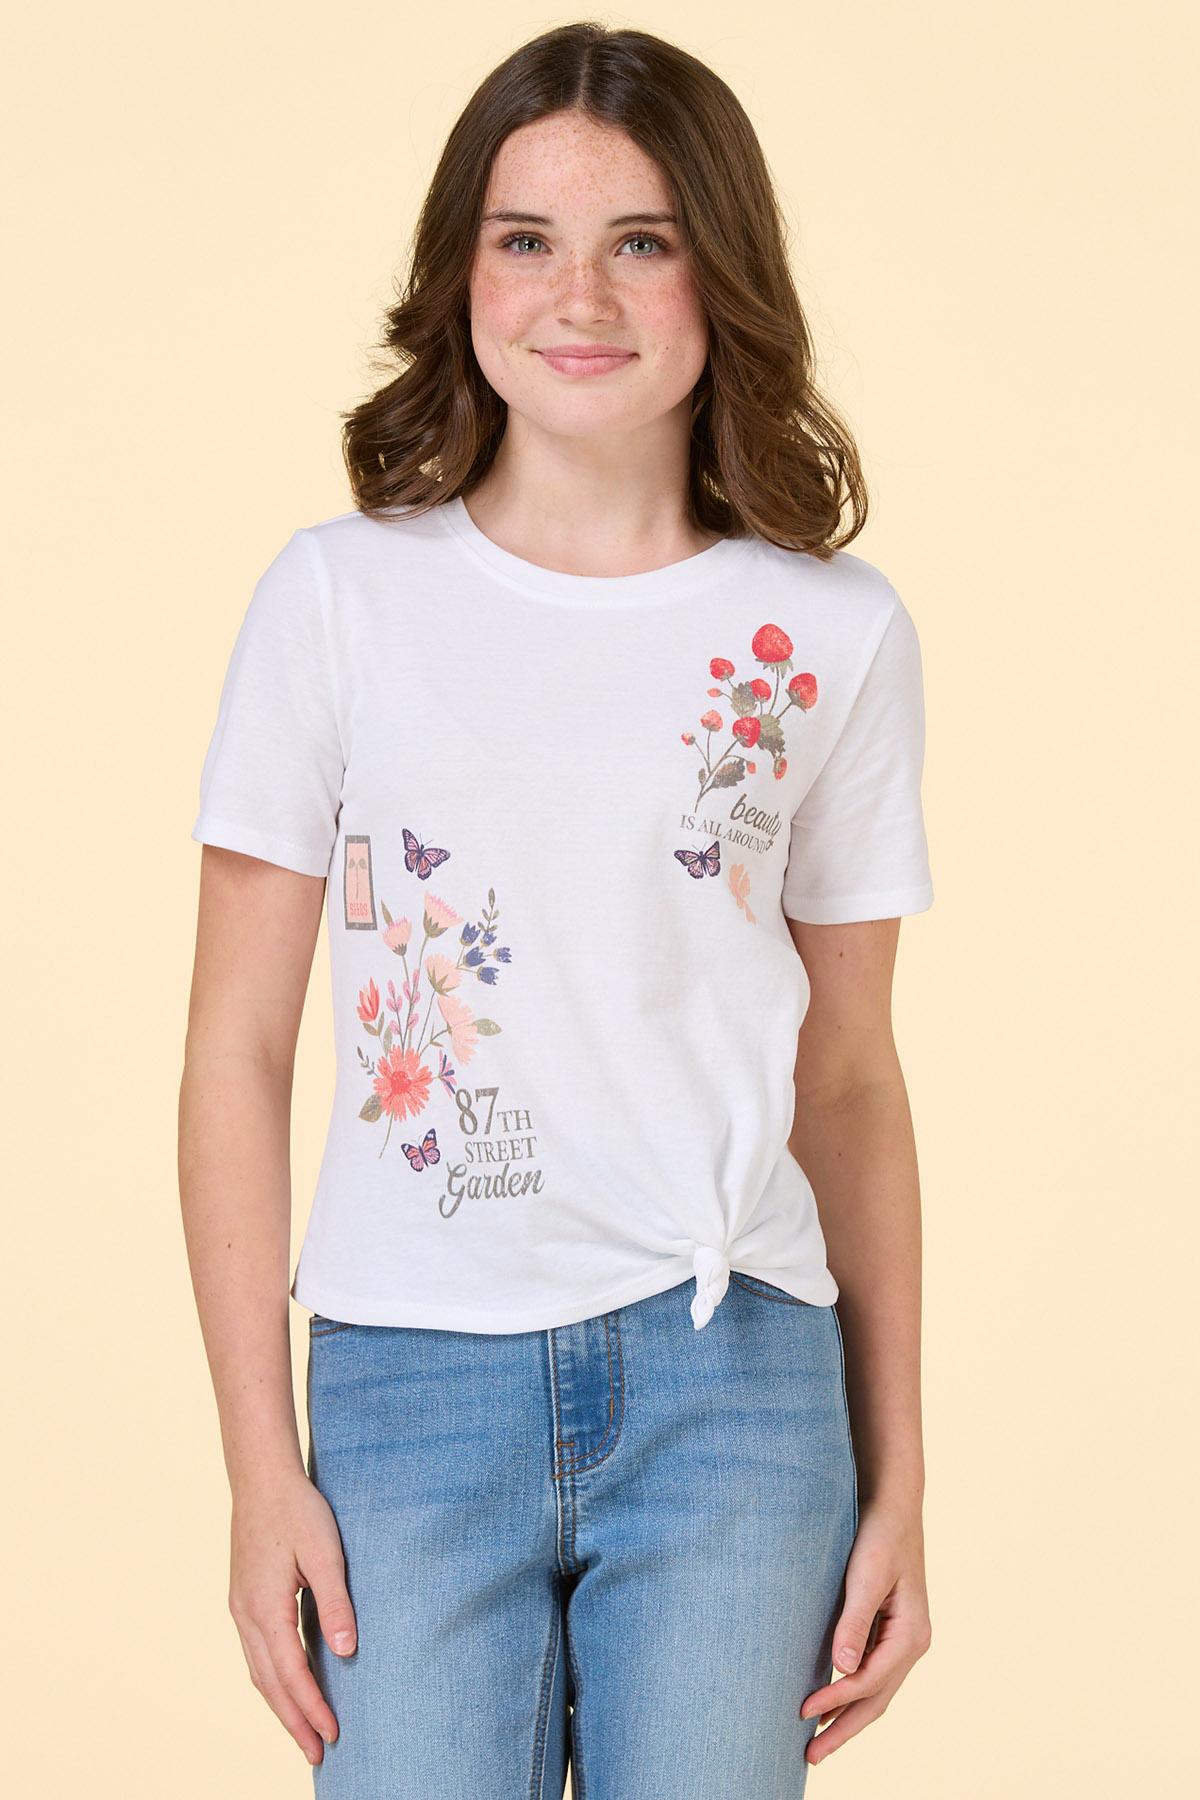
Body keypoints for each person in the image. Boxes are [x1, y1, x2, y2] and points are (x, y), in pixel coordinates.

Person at [179, 21, 934, 1798]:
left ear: (719, 273)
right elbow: (234, 1051)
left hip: (737, 1391)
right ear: (463, 275)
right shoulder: (338, 602)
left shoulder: (835, 636)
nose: (578, 294)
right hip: (408, 1390)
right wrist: (257, 1467)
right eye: (525, 238)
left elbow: (849, 1079)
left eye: (641, 240)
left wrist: (902, 1479)